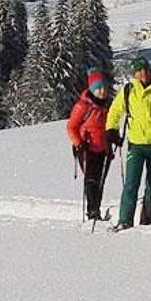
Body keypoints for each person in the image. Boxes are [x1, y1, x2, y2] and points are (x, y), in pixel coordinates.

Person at [106, 53, 151, 229]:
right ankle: (125, 220)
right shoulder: (128, 90)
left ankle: (147, 220)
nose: (143, 73)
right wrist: (111, 130)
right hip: (136, 144)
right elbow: (115, 111)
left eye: (145, 69)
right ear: (134, 74)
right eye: (138, 71)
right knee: (131, 184)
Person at [65, 67, 115, 222]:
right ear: (92, 89)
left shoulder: (107, 105)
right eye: (98, 88)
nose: (102, 91)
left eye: (104, 88)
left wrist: (114, 138)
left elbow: (111, 125)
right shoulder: (83, 106)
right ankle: (92, 211)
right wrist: (79, 143)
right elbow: (71, 127)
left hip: (103, 148)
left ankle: (96, 208)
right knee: (91, 180)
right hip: (87, 148)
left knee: (100, 180)